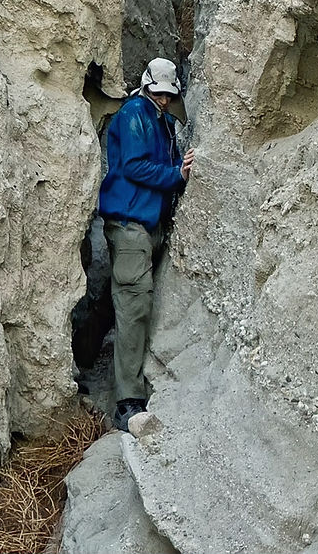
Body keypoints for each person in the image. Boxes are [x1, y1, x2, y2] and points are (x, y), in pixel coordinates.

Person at [98, 57, 195, 430]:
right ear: (146, 86)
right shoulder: (135, 113)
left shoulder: (159, 118)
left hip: (143, 224)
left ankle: (103, 369)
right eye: (159, 93)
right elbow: (135, 166)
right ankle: (128, 403)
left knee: (124, 301)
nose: (165, 100)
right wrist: (176, 175)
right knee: (134, 306)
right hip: (130, 225)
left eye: (170, 95)